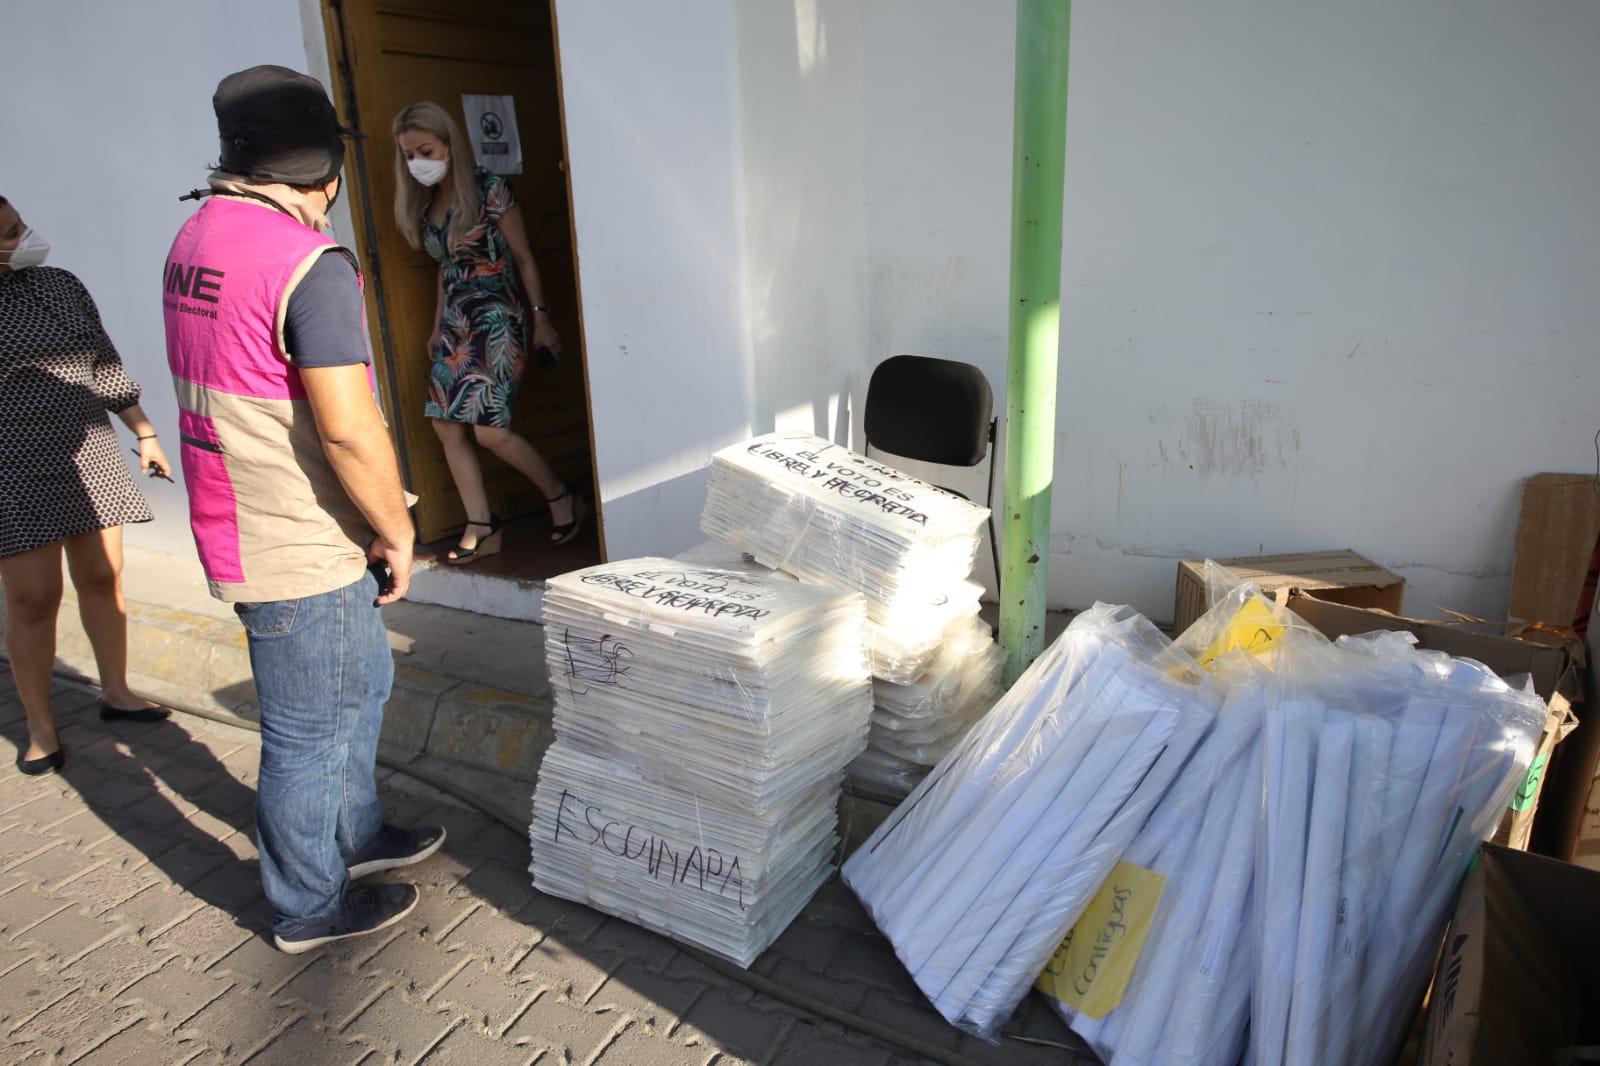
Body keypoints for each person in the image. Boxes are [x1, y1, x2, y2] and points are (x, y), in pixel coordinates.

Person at [163, 65, 443, 953]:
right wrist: (397, 530)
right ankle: (307, 903)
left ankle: (353, 839)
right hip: (295, 536)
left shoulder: (200, 231)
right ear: (323, 176)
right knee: (308, 733)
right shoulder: (308, 264)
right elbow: (351, 430)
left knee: (363, 685)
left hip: (243, 514)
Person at [0, 194, 174, 777]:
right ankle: (40, 727)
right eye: (7, 233)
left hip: (90, 449)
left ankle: (117, 693)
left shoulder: (61, 285)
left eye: (19, 224)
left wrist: (145, 433)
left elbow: (104, 362)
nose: (23, 236)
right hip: (13, 465)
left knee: (102, 577)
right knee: (33, 600)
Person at [392, 101, 587, 563]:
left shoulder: (491, 190)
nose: (415, 161)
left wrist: (541, 318)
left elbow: (525, 258)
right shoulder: (425, 205)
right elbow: (445, 270)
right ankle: (482, 525)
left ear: (449, 146)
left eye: (424, 149)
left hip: (499, 319)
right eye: (407, 153)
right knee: (445, 425)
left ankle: (561, 496)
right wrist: (436, 324)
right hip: (456, 325)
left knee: (488, 430)